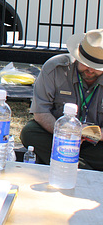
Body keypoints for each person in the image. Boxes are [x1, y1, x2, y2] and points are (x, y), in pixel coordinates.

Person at [20, 28, 103, 170]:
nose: (90, 70)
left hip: (96, 143)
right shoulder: (55, 68)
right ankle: (82, 169)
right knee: (30, 132)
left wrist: (96, 134)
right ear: (77, 56)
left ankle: (66, 165)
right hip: (58, 137)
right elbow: (40, 112)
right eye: (85, 64)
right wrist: (65, 133)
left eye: (96, 67)